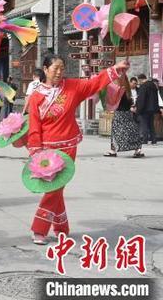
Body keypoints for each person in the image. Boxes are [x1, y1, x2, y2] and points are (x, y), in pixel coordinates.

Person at [26, 54, 129, 245]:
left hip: (68, 147)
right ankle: (61, 227)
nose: (59, 72)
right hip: (47, 149)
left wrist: (115, 70)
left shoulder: (72, 87)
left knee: (55, 187)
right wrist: (36, 150)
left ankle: (39, 229)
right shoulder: (36, 96)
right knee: (55, 188)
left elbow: (94, 83)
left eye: (62, 68)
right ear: (45, 69)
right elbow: (34, 125)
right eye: (55, 68)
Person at [105, 75, 143, 158]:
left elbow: (113, 101)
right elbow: (130, 102)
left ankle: (113, 150)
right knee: (131, 131)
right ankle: (138, 149)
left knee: (116, 132)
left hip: (119, 114)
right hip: (127, 113)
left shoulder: (119, 90)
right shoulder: (127, 90)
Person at [136, 74, 159, 145]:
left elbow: (142, 99)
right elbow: (156, 97)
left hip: (145, 108)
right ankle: (154, 139)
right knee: (151, 124)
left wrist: (139, 109)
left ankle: (145, 140)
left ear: (140, 79)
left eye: (138, 81)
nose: (138, 83)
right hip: (152, 108)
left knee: (144, 124)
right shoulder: (153, 85)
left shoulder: (143, 86)